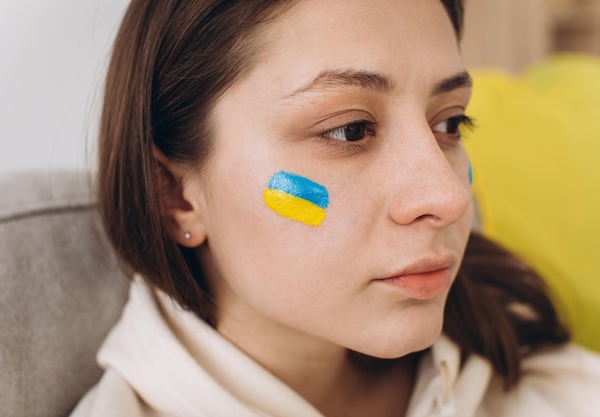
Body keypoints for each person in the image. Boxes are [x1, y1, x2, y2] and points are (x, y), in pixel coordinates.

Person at [71, 0, 600, 416]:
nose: (449, 197)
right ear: (176, 195)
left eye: (449, 123)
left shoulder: (539, 375)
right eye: (350, 131)